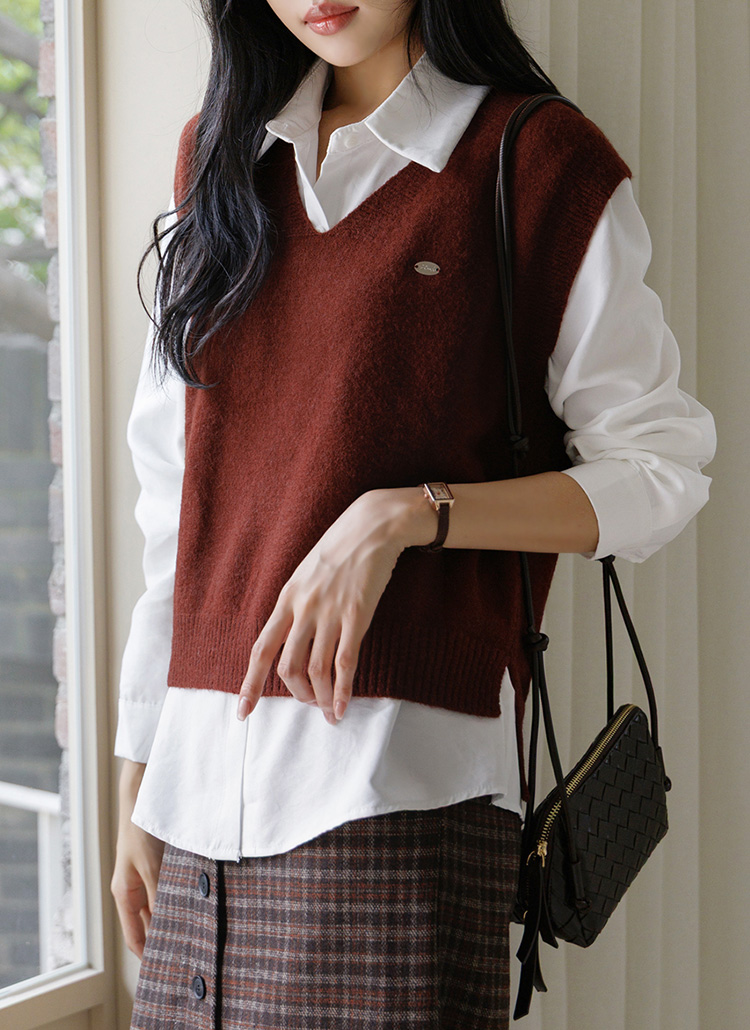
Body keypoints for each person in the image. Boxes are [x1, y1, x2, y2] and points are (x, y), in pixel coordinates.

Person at [111, 1, 716, 1027]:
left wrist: (403, 516)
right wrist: (139, 777)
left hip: (392, 796)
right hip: (195, 808)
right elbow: (175, 513)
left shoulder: (534, 160)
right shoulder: (219, 160)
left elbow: (660, 467)